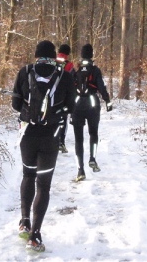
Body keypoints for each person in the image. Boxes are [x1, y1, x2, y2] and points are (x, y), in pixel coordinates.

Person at [11, 40, 76, 252]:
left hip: (28, 134)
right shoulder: (64, 76)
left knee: (28, 175)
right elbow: (71, 106)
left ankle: (24, 221)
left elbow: (15, 104)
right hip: (50, 136)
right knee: (44, 185)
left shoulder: (25, 72)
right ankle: (35, 236)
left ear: (36, 55)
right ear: (53, 56)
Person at [71, 43, 112, 182]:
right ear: (91, 55)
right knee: (93, 133)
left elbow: (70, 88)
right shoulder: (95, 70)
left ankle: (80, 170)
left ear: (82, 55)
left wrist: (67, 106)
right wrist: (107, 101)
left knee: (78, 139)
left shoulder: (76, 70)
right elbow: (101, 87)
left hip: (77, 105)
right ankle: (92, 158)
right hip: (92, 104)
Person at [56, 43, 75, 154]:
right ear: (68, 53)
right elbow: (72, 83)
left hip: (51, 96)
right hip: (63, 97)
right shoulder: (69, 65)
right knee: (63, 119)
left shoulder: (52, 61)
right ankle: (61, 142)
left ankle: (51, 141)